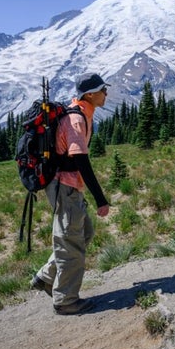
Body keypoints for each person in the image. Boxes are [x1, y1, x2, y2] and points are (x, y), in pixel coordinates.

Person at [31, 73, 111, 315]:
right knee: (70, 243)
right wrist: (101, 199)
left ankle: (46, 277)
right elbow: (81, 162)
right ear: (89, 94)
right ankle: (65, 300)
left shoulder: (81, 113)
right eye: (102, 90)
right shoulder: (76, 120)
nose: (106, 93)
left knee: (83, 232)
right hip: (65, 186)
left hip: (68, 186)